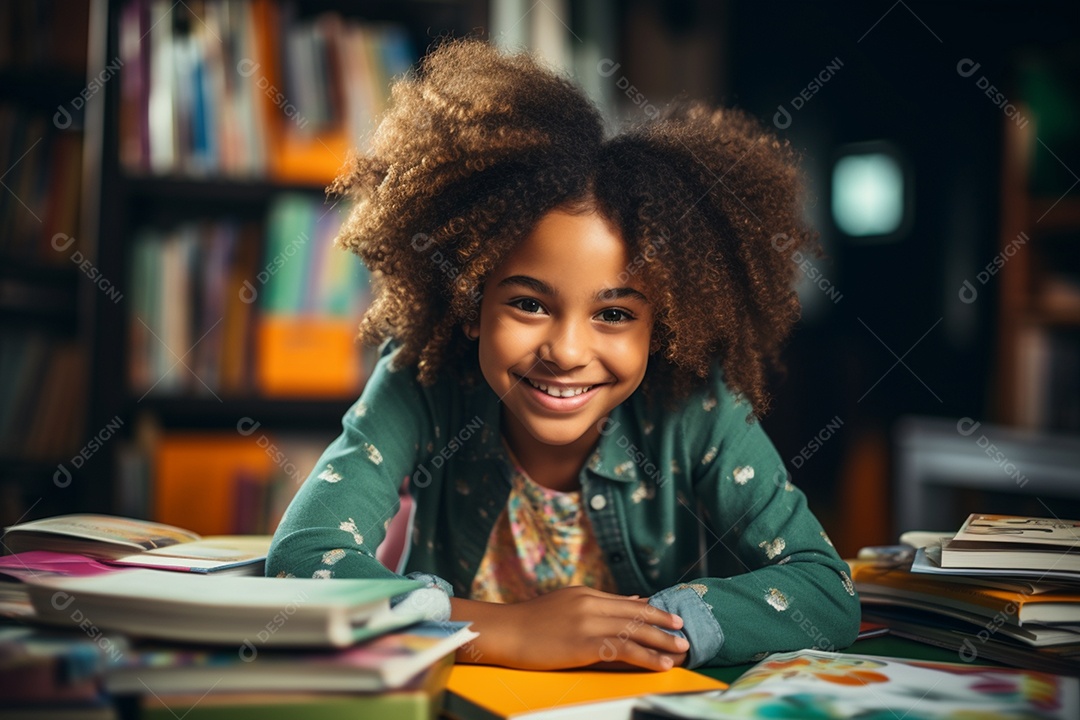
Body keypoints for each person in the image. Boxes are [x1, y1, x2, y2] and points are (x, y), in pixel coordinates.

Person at [267, 38, 860, 671]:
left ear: (662, 326)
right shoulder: (423, 381)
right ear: (471, 300)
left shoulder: (697, 405)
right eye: (528, 304)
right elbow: (306, 557)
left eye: (613, 315)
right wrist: (503, 632)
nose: (568, 351)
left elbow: (826, 592)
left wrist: (646, 631)